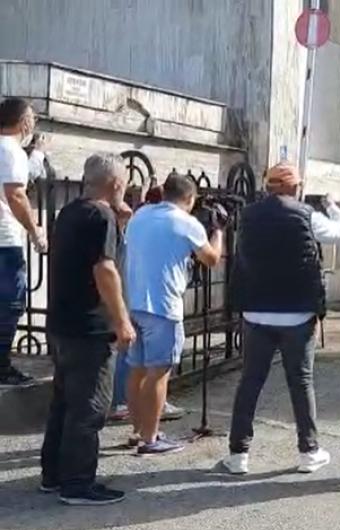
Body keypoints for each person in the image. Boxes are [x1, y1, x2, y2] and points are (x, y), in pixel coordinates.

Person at [218, 163, 340, 475]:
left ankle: (238, 454)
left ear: (267, 187)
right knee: (301, 381)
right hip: (297, 313)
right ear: (295, 187)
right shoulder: (307, 215)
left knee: (250, 381)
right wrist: (333, 207)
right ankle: (309, 451)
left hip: (256, 310)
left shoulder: (248, 214)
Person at [40, 153, 135, 505]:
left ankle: (53, 475)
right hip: (90, 327)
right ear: (117, 184)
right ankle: (78, 484)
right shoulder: (101, 215)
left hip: (62, 322)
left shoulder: (70, 212)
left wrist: (120, 222)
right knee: (89, 408)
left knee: (64, 403)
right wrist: (122, 321)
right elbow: (104, 270)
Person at [123, 174, 225, 455]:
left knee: (137, 370)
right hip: (164, 306)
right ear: (190, 198)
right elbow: (211, 259)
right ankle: (151, 438)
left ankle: (138, 431)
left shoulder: (140, 215)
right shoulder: (186, 223)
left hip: (134, 303)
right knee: (159, 373)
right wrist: (218, 231)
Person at [108, 186, 186, 426]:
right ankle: (144, 412)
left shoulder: (136, 223)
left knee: (133, 360)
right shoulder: (153, 225)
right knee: (152, 365)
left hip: (130, 299)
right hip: (144, 300)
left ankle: (129, 410)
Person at [0, 98, 49, 386]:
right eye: (32, 119)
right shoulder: (11, 150)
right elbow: (16, 194)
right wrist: (34, 230)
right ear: (24, 122)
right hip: (4, 242)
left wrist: (37, 155)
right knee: (10, 304)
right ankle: (2, 366)